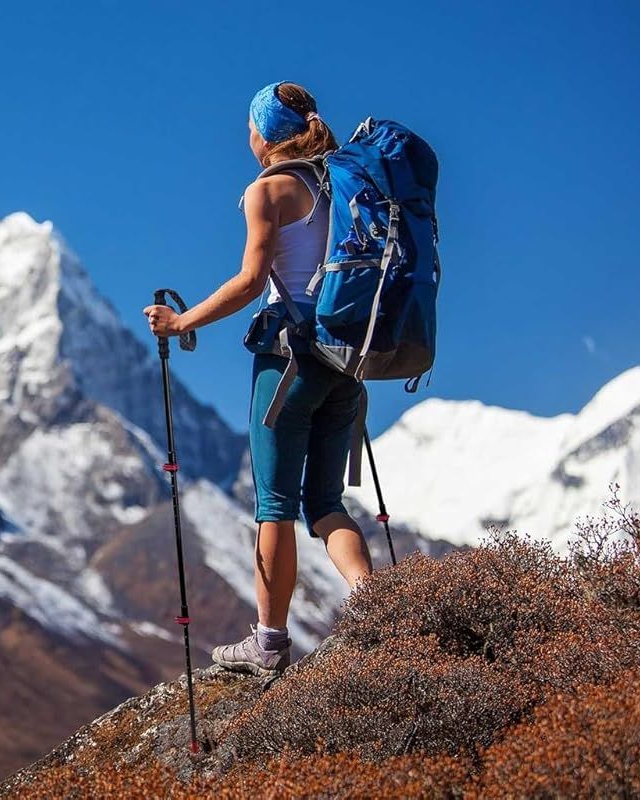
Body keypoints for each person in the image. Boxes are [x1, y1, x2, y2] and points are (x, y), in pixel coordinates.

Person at [144, 81, 372, 677]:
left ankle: (268, 642)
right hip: (345, 362)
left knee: (274, 504)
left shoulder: (268, 189)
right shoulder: (343, 186)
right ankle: (378, 607)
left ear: (263, 134)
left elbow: (251, 281)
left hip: (289, 361)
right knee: (325, 501)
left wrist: (181, 321)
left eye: (249, 127)